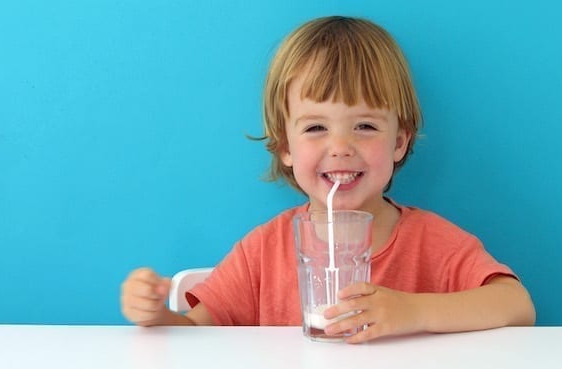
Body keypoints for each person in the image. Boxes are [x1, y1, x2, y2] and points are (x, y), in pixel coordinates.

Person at [120, 15, 535, 343]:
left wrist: (412, 312)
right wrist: (157, 316)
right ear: (285, 145)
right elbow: (197, 334)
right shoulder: (263, 251)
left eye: (366, 127)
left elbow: (517, 306)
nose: (340, 147)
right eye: (316, 128)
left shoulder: (433, 243)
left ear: (399, 143)